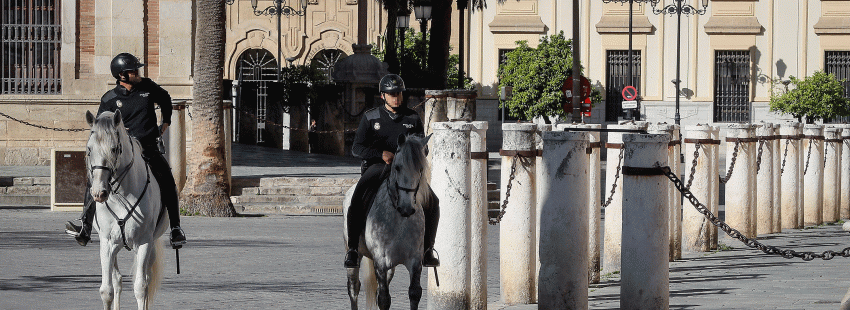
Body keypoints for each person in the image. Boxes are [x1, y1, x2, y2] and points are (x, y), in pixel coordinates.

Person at [65, 52, 186, 248]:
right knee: (94, 180)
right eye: (133, 70)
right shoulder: (109, 99)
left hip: (147, 148)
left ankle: (176, 229)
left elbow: (165, 99)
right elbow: (100, 129)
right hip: (120, 153)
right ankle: (85, 227)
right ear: (121, 75)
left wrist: (165, 123)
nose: (137, 72)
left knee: (167, 178)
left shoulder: (148, 87)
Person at [344, 74, 440, 268]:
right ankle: (353, 250)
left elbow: (422, 146)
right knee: (357, 197)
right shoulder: (371, 117)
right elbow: (357, 148)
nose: (396, 97)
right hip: (378, 166)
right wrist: (380, 154)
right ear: (383, 96)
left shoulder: (412, 118)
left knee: (433, 201)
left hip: (406, 170)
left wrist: (418, 151)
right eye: (392, 94)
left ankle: (428, 250)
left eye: (399, 93)